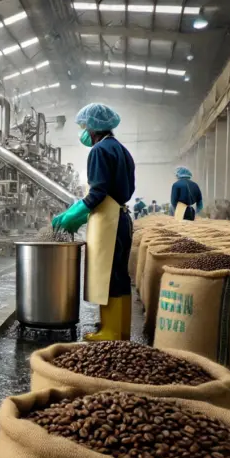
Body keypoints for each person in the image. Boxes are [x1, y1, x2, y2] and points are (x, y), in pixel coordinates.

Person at [52, 103, 135, 341]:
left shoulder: (99, 151)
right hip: (121, 217)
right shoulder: (121, 149)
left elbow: (97, 193)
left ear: (93, 127)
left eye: (83, 126)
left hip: (108, 220)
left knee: (108, 276)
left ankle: (110, 332)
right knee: (119, 274)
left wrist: (73, 215)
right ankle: (121, 330)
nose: (83, 132)